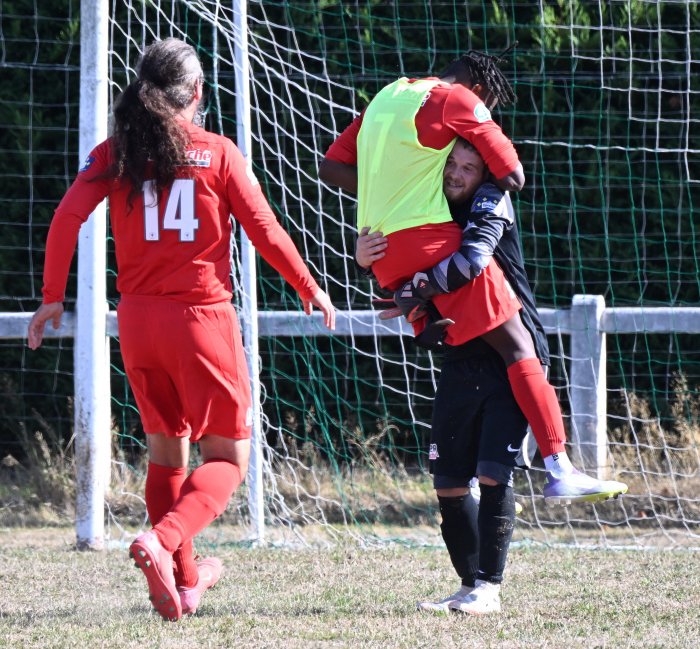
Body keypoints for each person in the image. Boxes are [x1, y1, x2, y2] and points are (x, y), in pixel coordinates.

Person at [27, 38, 335, 622]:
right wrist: (307, 285)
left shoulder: (116, 153)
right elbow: (264, 228)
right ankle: (162, 539)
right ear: (196, 92)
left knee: (167, 453)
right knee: (228, 458)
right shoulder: (218, 153)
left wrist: (51, 298)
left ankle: (186, 581)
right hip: (201, 321)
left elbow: (66, 216)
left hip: (139, 323)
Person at [319, 49, 627, 505]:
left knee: (461, 361)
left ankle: (479, 484)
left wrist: (395, 200)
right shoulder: (458, 100)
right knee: (520, 345)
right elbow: (514, 176)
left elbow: (329, 167)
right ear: (478, 91)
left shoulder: (387, 95)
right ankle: (559, 469)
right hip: (433, 246)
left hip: (382, 252)